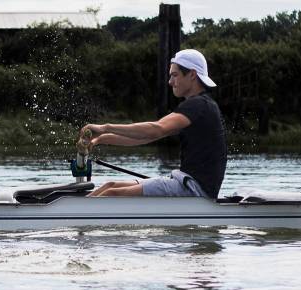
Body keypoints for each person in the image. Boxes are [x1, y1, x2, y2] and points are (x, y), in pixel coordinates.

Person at [78, 49, 227, 199]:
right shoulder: (200, 105)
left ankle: (73, 217)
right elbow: (143, 137)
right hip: (187, 182)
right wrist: (101, 139)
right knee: (109, 186)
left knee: (112, 194)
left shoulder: (198, 105)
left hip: (194, 189)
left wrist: (105, 127)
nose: (170, 82)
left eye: (174, 75)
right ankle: (76, 211)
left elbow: (156, 129)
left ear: (192, 75)